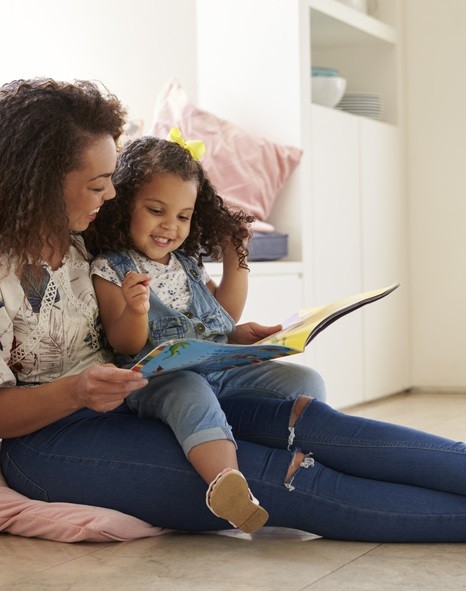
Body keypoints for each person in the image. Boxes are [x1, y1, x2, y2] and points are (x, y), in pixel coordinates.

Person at [0, 77, 466, 546]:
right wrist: (74, 389)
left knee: (313, 423)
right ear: (40, 182)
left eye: (112, 181)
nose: (109, 196)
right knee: (278, 477)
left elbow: (157, 296)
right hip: (58, 446)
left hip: (137, 398)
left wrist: (226, 341)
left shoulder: (84, 249)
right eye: (97, 183)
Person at [86, 131, 317, 534]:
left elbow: (222, 316)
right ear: (124, 206)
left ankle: (296, 453)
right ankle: (227, 484)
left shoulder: (186, 264)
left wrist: (237, 266)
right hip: (157, 380)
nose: (169, 227)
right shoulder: (112, 267)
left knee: (304, 379)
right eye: (156, 210)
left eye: (183, 216)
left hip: (218, 368)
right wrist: (137, 309)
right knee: (190, 391)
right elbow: (124, 344)